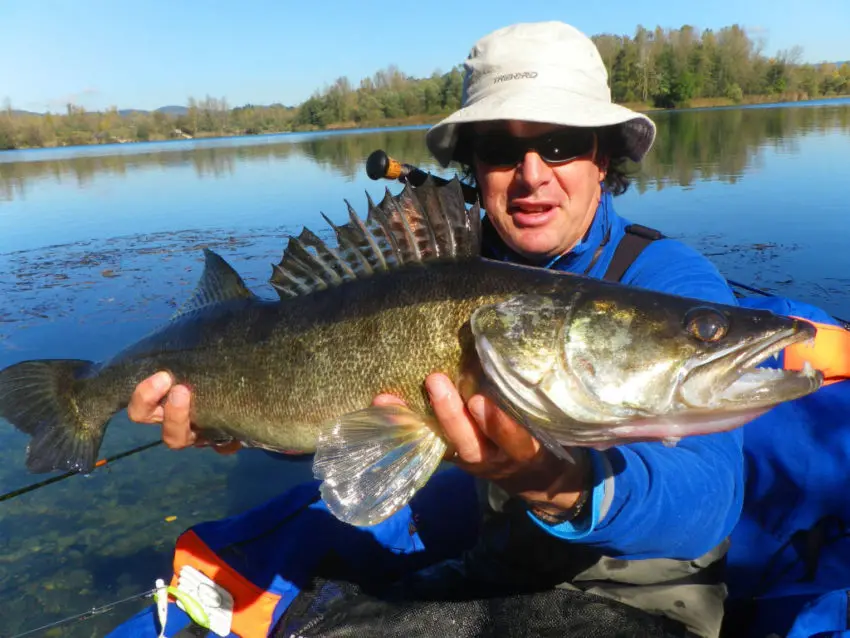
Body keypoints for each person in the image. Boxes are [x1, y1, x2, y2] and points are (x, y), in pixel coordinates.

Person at [125, 22, 746, 637]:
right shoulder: (439, 264)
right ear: (474, 166)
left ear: (602, 156)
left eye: (560, 144)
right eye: (502, 149)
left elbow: (712, 494)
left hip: (648, 600)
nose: (532, 174)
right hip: (497, 574)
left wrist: (559, 484)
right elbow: (342, 397)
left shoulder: (666, 281)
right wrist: (240, 418)